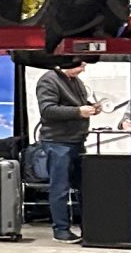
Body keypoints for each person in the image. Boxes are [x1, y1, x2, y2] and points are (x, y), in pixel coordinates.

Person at [32, 62, 99, 241]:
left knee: (84, 186)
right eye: (81, 65)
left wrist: (91, 107)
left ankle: (91, 229)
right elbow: (47, 110)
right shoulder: (48, 80)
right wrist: (78, 111)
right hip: (57, 142)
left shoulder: (76, 81)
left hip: (76, 140)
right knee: (60, 187)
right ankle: (61, 230)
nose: (83, 69)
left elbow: (77, 105)